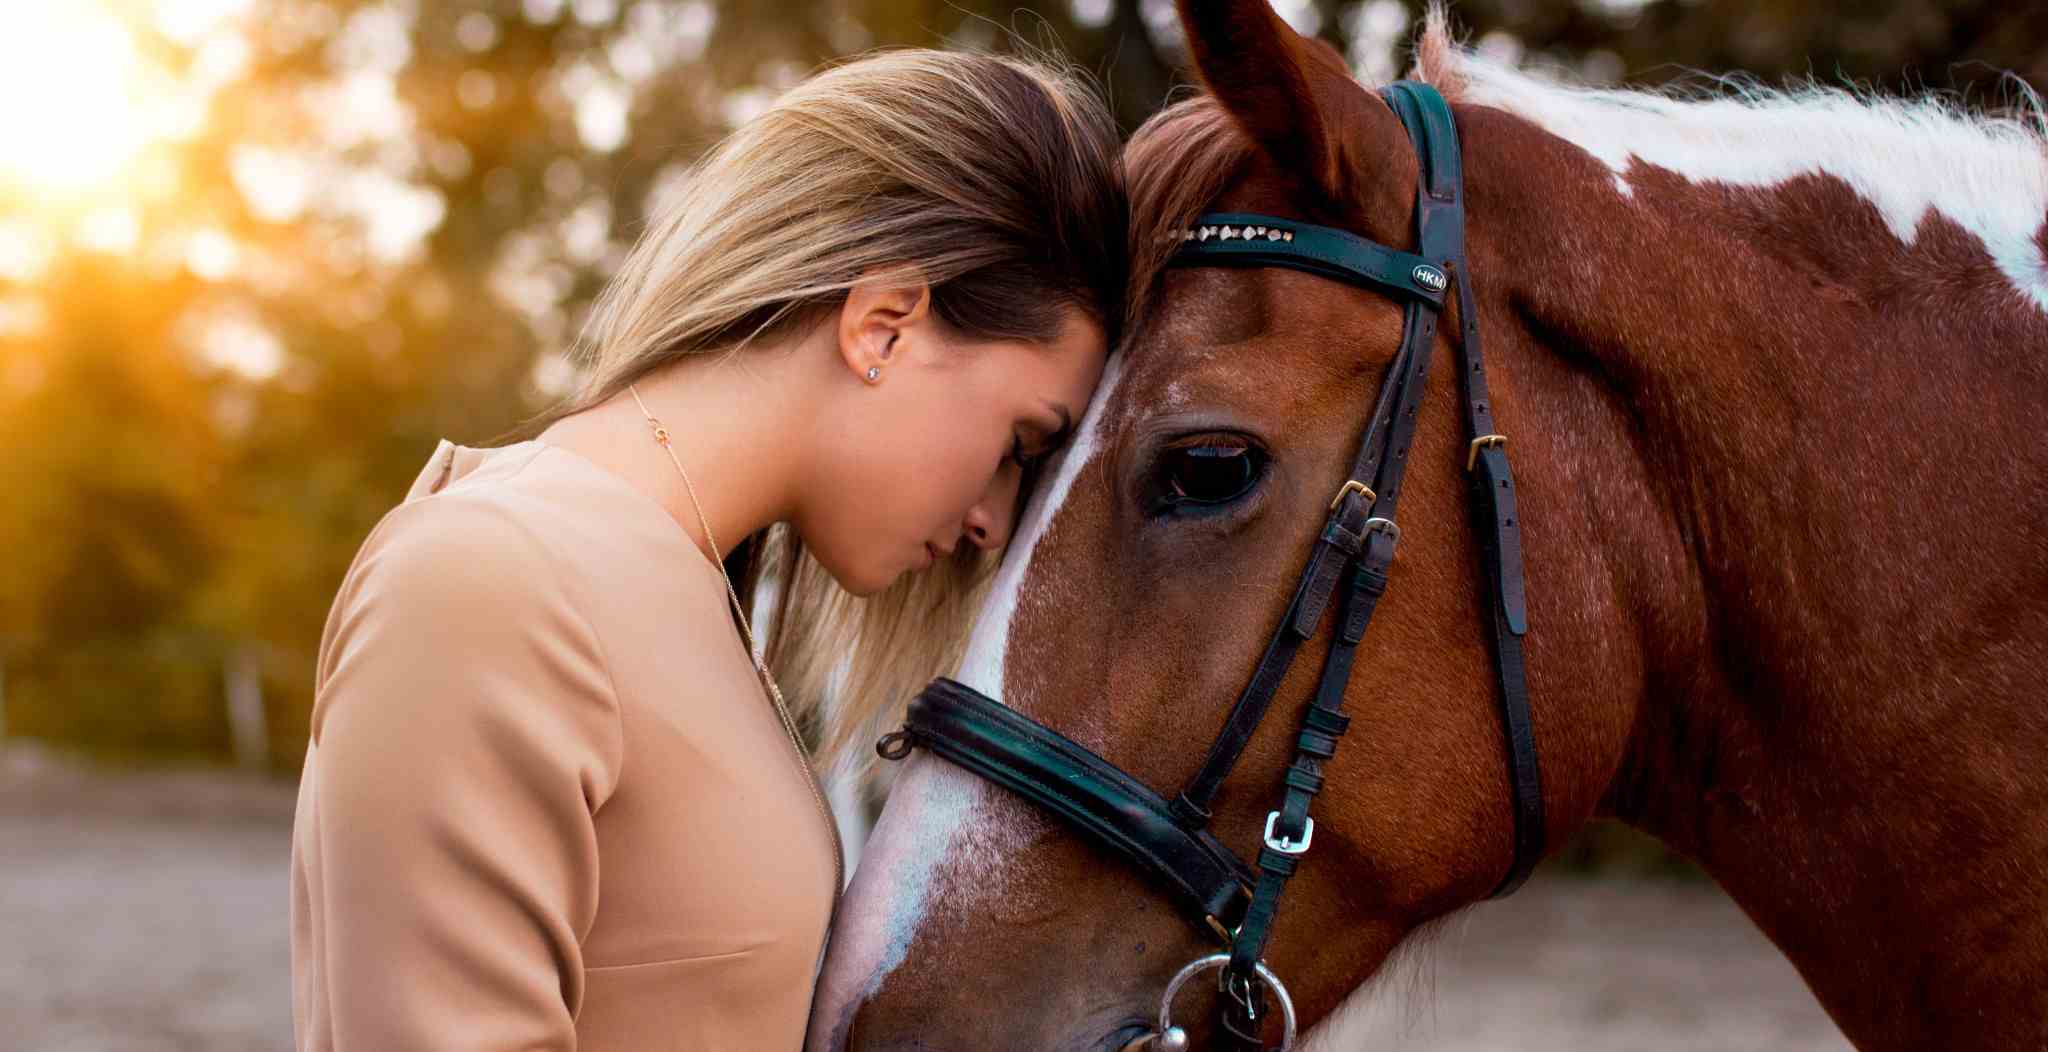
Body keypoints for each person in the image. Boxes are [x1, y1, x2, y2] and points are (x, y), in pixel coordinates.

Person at [289, 47, 1124, 1050]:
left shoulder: (685, 598)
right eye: (1019, 443)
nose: (993, 519)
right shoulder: (491, 577)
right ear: (886, 324)